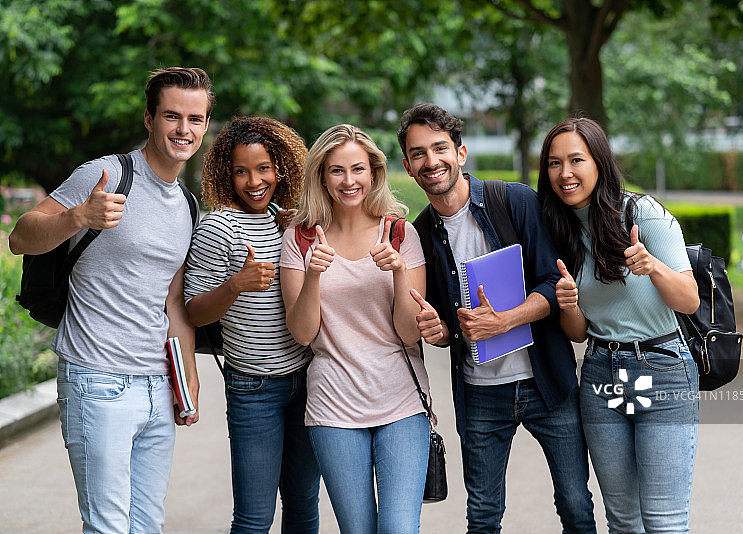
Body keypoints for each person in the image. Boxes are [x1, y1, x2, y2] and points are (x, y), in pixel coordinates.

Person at [8, 67, 213, 533]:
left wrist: (188, 378)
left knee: (148, 525)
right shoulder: (106, 174)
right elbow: (20, 237)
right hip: (97, 378)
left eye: (195, 119)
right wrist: (78, 216)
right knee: (108, 526)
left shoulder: (186, 204)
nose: (184, 129)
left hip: (157, 386)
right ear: (149, 119)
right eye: (172, 116)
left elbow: (173, 301)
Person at [397, 103, 596, 534]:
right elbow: (444, 326)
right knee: (483, 517)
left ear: (460, 153)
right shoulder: (421, 234)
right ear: (408, 166)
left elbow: (554, 283)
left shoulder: (514, 201)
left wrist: (505, 320)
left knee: (576, 506)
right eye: (418, 153)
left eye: (439, 148)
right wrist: (438, 330)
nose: (431, 161)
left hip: (547, 382)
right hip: (480, 393)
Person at [538, 117, 700, 533]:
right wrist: (569, 305)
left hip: (661, 369)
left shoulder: (643, 214)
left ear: (600, 162)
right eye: (555, 163)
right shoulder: (559, 227)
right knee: (623, 522)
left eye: (577, 160)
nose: (565, 173)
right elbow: (578, 333)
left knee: (663, 522)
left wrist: (653, 267)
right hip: (600, 375)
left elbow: (689, 299)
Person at [280, 124, 431, 533]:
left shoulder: (400, 234)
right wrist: (313, 275)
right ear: (322, 176)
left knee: (399, 528)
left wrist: (399, 272)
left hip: (400, 402)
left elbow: (410, 334)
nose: (349, 181)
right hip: (334, 405)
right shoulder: (301, 238)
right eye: (337, 170)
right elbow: (303, 334)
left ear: (373, 172)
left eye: (358, 169)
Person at [183, 116, 321, 533]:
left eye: (263, 168)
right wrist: (236, 285)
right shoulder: (217, 227)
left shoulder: (286, 220)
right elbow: (193, 312)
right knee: (254, 517)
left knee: (303, 506)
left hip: (307, 380)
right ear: (227, 175)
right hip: (254, 387)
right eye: (241, 171)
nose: (254, 181)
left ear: (281, 167)